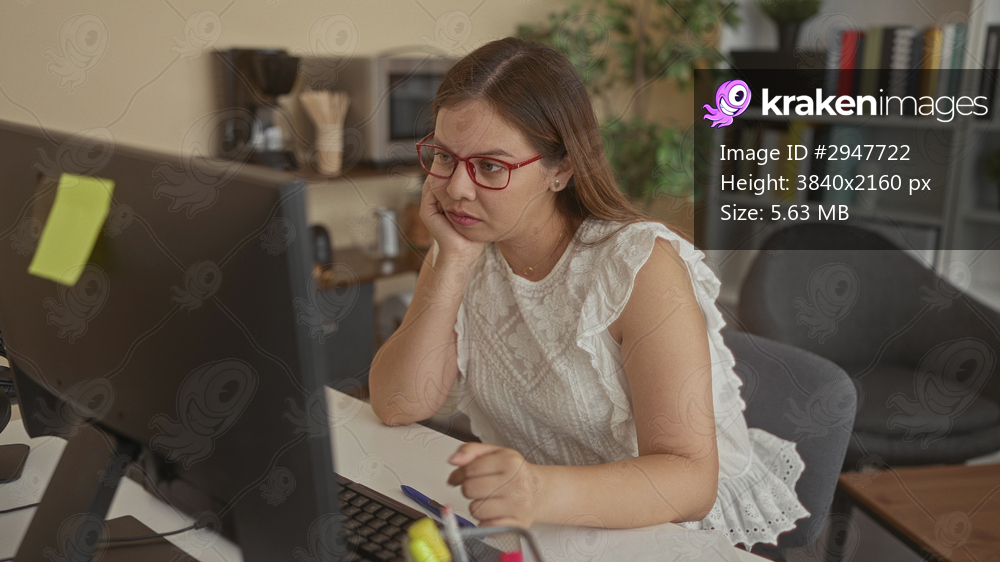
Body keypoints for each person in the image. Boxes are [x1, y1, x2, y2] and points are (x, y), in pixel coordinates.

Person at [368, 37, 809, 550]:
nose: (456, 189)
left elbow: (691, 482)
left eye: (490, 166)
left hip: (673, 531)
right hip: (555, 523)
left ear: (561, 169)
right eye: (445, 156)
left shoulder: (638, 266)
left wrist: (540, 490)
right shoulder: (467, 241)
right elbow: (398, 403)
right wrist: (453, 263)